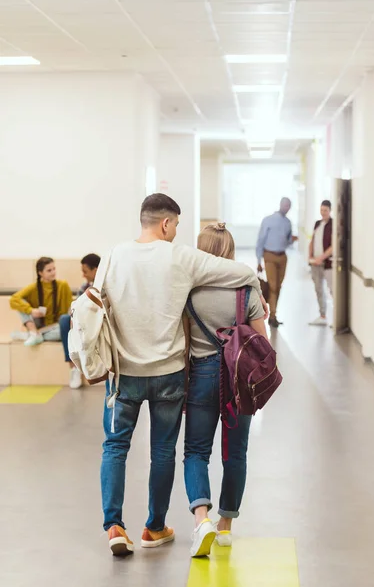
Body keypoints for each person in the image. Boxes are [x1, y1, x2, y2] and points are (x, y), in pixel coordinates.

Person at [99, 194, 267, 557]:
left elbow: (98, 302)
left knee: (120, 447)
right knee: (166, 452)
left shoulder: (113, 255)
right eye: (176, 225)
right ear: (165, 223)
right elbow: (243, 276)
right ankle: (158, 526)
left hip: (127, 372)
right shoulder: (181, 258)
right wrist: (259, 291)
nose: (177, 232)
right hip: (170, 372)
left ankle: (116, 525)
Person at [183, 223, 269, 558]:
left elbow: (182, 340)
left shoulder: (189, 290)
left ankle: (200, 519)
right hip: (239, 377)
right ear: (230, 252)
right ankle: (225, 527)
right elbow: (262, 342)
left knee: (195, 451)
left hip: (202, 373)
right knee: (235, 453)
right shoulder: (246, 290)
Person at [59, 253, 101, 389]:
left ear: (96, 270)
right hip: (82, 323)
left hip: (99, 323)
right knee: (64, 320)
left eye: (85, 271)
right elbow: (74, 308)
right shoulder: (84, 287)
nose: (83, 275)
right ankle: (74, 368)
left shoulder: (106, 286)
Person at [10, 257, 72, 347]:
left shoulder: (63, 285)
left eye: (54, 269)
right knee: (20, 303)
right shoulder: (34, 287)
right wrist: (31, 311)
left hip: (55, 327)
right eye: (49, 270)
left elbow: (66, 312)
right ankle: (34, 333)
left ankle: (32, 335)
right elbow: (13, 299)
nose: (53, 272)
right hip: (38, 324)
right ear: (40, 273)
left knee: (63, 331)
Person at [256, 197, 296, 328]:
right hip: (269, 256)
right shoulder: (268, 220)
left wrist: (292, 240)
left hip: (282, 257)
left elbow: (288, 241)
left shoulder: (288, 222)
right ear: (280, 205)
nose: (286, 208)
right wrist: (258, 261)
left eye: (288, 206)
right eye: (285, 205)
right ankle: (271, 316)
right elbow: (260, 240)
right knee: (272, 286)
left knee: (278, 286)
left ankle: (273, 315)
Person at [309, 200, 333, 326]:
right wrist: (310, 256)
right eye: (321, 210)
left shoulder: (333, 224)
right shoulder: (317, 223)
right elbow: (312, 240)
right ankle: (322, 315)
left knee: (332, 290)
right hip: (315, 262)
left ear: (330, 211)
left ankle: (336, 319)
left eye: (325, 210)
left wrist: (321, 258)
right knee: (319, 289)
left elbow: (333, 246)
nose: (323, 212)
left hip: (327, 263)